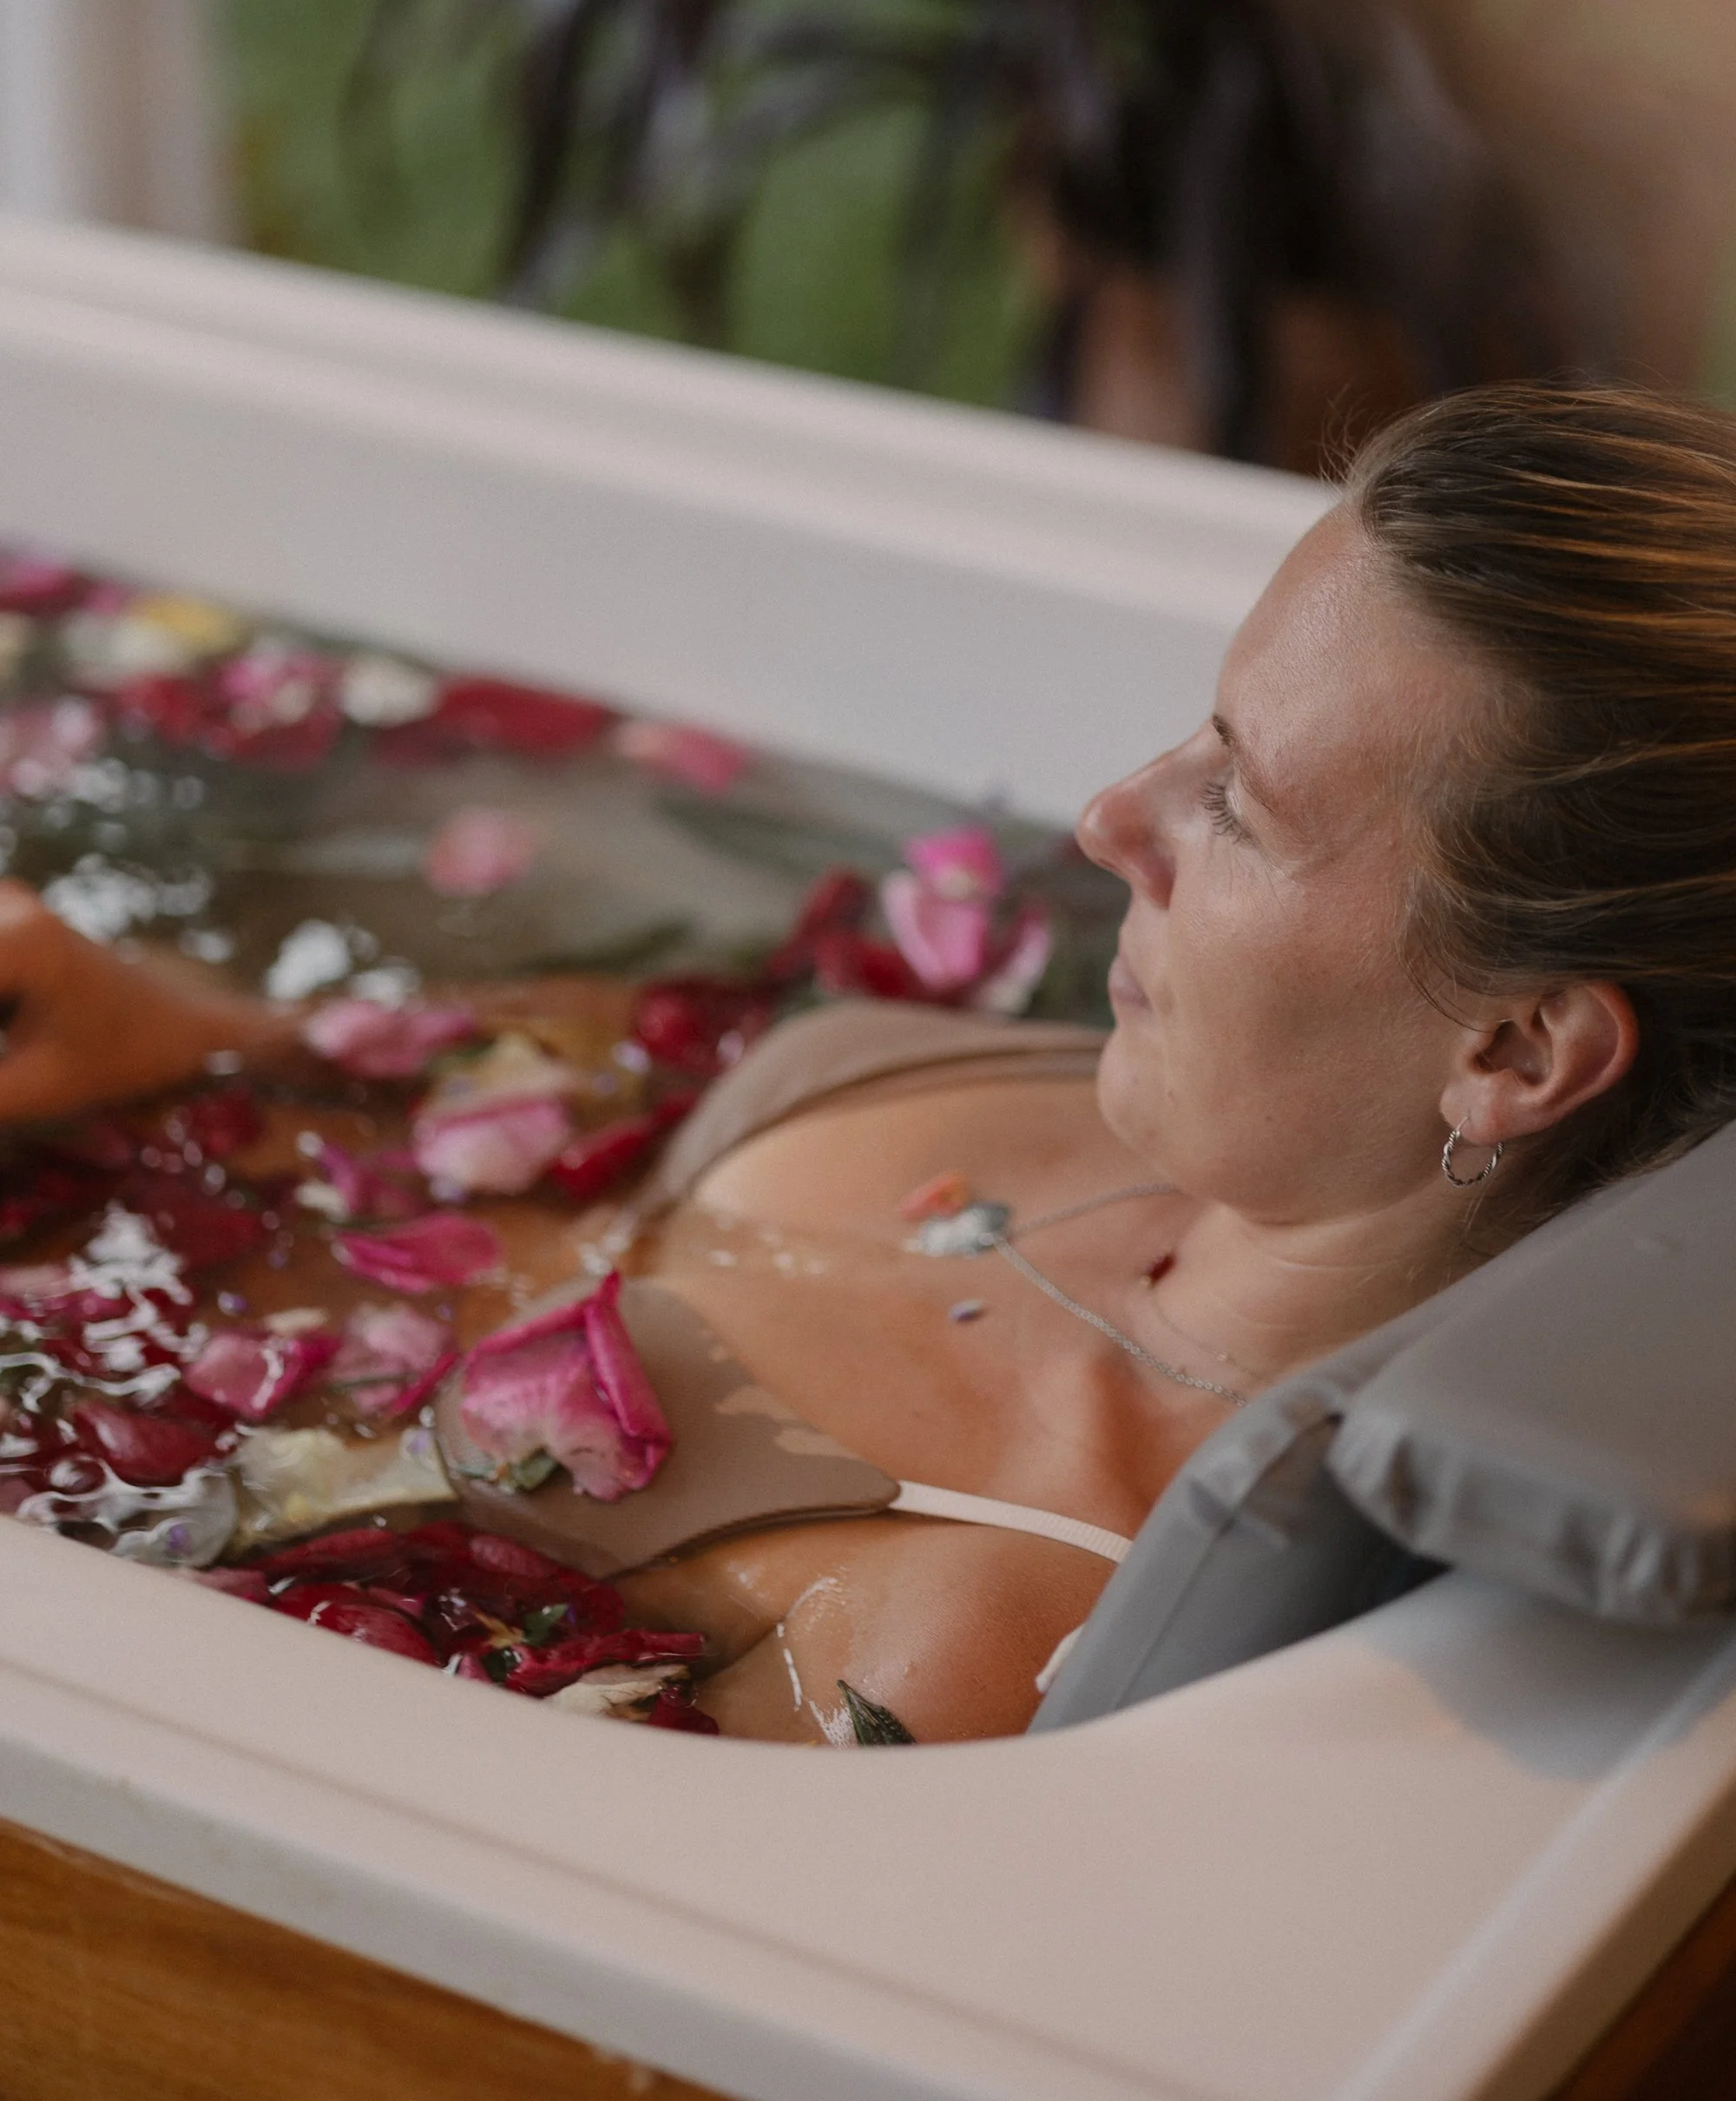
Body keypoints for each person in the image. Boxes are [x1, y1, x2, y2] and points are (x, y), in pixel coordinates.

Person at [2, 385, 1733, 1742]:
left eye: (1242, 804)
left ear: (1510, 1052)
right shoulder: (1133, 1105)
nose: (1108, 815)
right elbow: (494, 1140)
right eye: (1199, 729)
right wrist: (168, 1036)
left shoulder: (960, 1634)